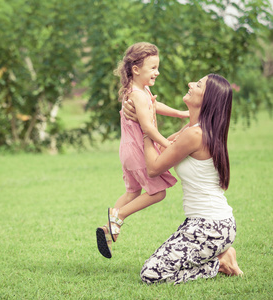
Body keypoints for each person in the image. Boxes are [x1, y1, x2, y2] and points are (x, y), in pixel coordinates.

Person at [123, 73, 243, 284]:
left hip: (210, 227)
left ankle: (220, 263)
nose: (190, 84)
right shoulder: (191, 130)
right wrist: (145, 119)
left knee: (151, 274)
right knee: (158, 264)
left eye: (198, 85)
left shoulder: (195, 135)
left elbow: (153, 168)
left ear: (207, 99)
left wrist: (146, 127)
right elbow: (159, 149)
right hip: (203, 224)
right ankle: (221, 254)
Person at [96, 42, 189, 259]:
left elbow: (154, 106)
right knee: (158, 192)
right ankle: (118, 217)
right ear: (136, 69)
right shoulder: (137, 94)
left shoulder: (139, 90)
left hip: (127, 151)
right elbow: (147, 127)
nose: (157, 72)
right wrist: (168, 146)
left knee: (132, 192)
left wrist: (181, 114)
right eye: (153, 68)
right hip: (138, 150)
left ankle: (107, 230)